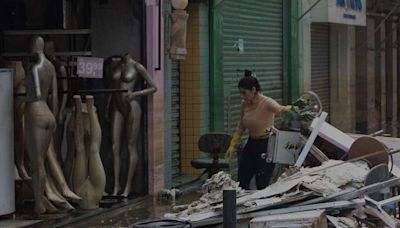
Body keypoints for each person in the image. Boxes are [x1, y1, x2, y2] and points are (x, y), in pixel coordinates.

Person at [224, 70, 290, 190]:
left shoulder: (267, 102)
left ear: (253, 90)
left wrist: (290, 109)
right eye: (240, 93)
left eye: (244, 93)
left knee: (262, 182)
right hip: (251, 143)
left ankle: (261, 206)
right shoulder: (245, 104)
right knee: (242, 179)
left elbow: (279, 109)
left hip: (266, 145)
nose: (242, 96)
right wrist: (232, 144)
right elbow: (241, 125)